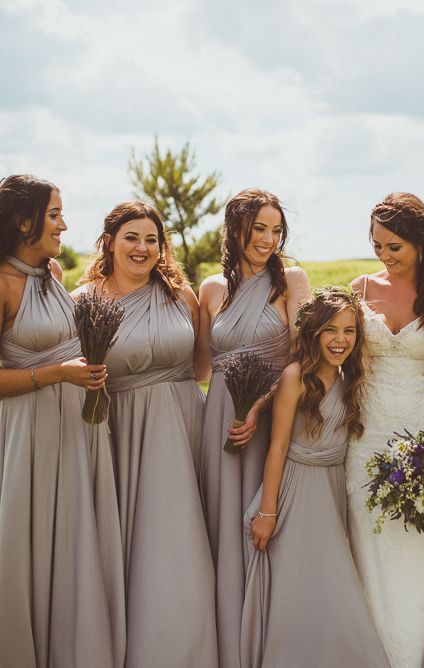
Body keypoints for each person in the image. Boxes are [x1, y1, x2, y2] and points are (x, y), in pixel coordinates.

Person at [74, 202, 217, 667]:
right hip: (123, 433)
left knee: (187, 544)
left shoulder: (182, 295)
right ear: (109, 241)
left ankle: (192, 649)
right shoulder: (84, 301)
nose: (142, 248)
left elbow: (201, 364)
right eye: (131, 237)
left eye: (151, 239)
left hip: (184, 424)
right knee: (143, 549)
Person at [0, 175, 125, 667]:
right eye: (54, 215)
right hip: (27, 432)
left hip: (75, 428)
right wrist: (57, 373)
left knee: (73, 544)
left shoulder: (50, 274)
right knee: (25, 549)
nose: (64, 225)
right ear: (23, 220)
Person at [345, 192, 424, 667]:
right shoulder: (359, 289)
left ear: (419, 241)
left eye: (394, 246)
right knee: (369, 547)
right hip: (368, 436)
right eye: (377, 245)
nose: (385, 256)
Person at [239, 286, 389, 667]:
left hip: (332, 489)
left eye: (349, 331)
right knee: (300, 585)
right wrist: (268, 512)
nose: (340, 340)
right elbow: (277, 448)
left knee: (327, 585)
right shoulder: (295, 377)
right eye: (331, 330)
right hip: (297, 491)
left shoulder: (348, 378)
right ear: (313, 332)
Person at [196, 188, 310, 667]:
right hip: (220, 418)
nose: (268, 239)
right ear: (234, 229)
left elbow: (303, 357)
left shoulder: (291, 281)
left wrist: (261, 406)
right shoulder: (210, 290)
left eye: (276, 230)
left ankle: (267, 642)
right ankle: (224, 643)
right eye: (259, 228)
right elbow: (200, 368)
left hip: (271, 414)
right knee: (220, 527)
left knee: (267, 525)